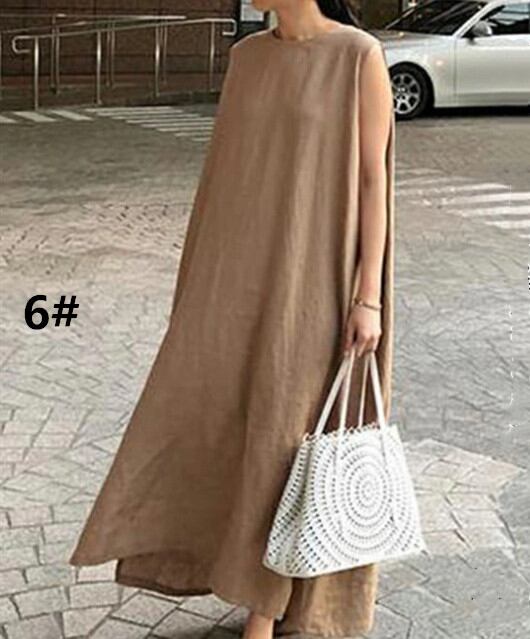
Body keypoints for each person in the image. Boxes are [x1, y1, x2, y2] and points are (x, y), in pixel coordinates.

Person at [69, 1, 396, 638]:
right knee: (221, 423)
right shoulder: (247, 59)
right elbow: (226, 176)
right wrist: (201, 283)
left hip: (316, 279)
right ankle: (217, 565)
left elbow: (370, 181)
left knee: (286, 432)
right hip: (238, 277)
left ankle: (263, 613)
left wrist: (368, 298)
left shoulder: (358, 56)